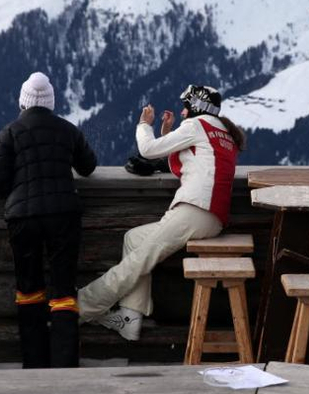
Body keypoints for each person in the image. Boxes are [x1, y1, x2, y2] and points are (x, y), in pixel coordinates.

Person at [77, 84, 245, 341]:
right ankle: (130, 318)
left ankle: (78, 307)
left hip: (195, 209)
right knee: (134, 239)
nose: (182, 110)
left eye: (185, 106)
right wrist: (167, 133)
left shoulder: (197, 125)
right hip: (212, 216)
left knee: (136, 263)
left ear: (196, 107)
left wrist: (145, 125)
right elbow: (186, 165)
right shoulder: (222, 132)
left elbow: (147, 150)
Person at [0, 71, 98, 368]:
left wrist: (19, 191)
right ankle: (64, 363)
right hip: (64, 214)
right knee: (63, 290)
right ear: (50, 102)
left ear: (23, 102)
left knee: (29, 287)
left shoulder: (9, 132)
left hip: (23, 218)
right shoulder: (67, 130)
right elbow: (88, 166)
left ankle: (34, 362)